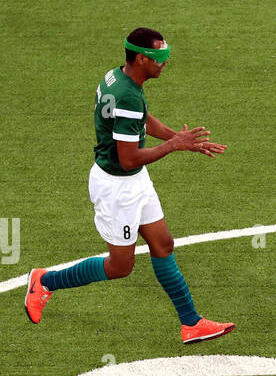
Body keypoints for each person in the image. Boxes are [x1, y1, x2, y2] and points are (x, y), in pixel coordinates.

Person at [24, 27, 235, 344]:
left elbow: (144, 119)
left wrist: (179, 138)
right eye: (159, 57)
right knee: (121, 266)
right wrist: (174, 146)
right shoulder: (128, 96)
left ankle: (191, 323)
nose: (164, 63)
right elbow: (128, 158)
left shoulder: (118, 78)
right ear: (140, 58)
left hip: (133, 182)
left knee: (163, 244)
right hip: (116, 188)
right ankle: (45, 281)